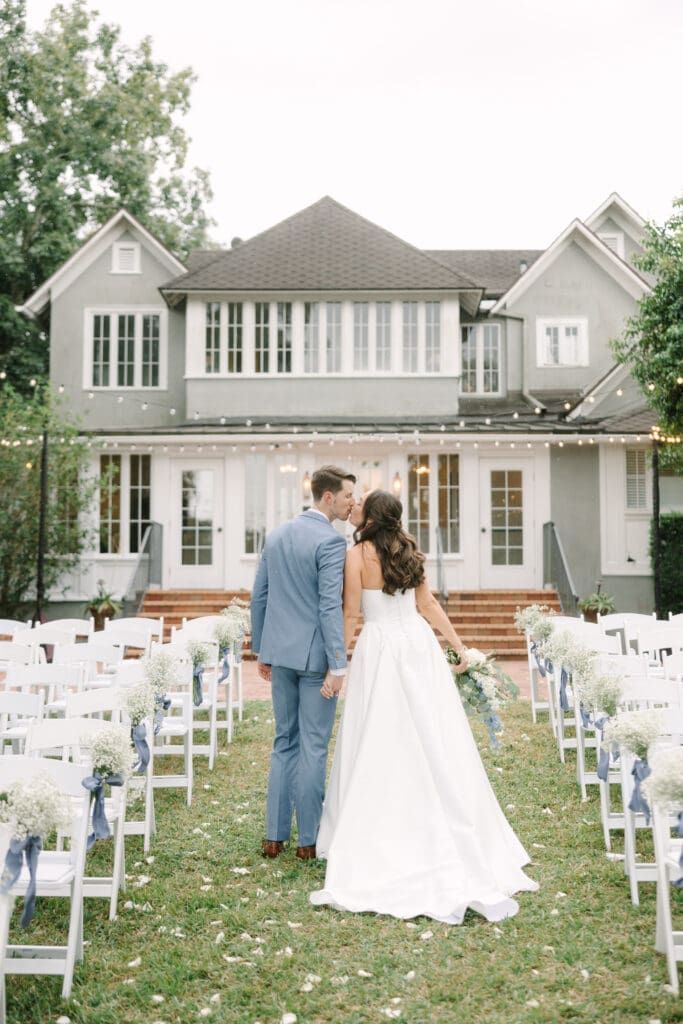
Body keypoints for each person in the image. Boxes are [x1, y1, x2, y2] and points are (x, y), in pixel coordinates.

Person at [311, 489, 539, 923]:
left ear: (371, 518)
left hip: (379, 648)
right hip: (417, 645)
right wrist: (457, 650)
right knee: (434, 731)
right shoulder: (411, 549)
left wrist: (336, 660)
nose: (353, 507)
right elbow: (427, 605)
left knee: (380, 732)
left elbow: (350, 613)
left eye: (360, 505)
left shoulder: (355, 555)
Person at [251, 465, 356, 860]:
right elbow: (330, 606)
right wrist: (338, 663)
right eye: (347, 495)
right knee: (313, 745)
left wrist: (262, 649)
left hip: (280, 655)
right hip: (315, 661)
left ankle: (273, 838)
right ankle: (308, 842)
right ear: (328, 497)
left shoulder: (276, 536)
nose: (351, 503)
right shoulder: (331, 543)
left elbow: (259, 595)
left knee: (284, 742)